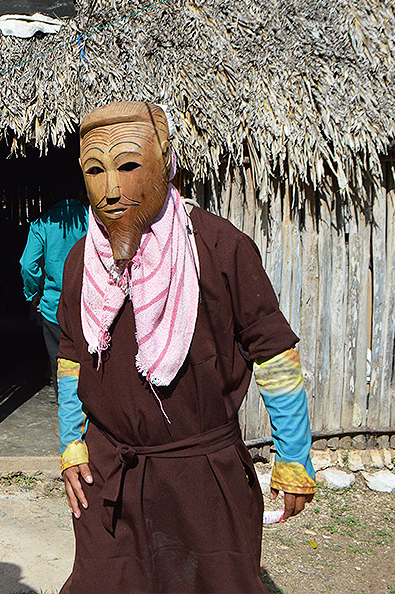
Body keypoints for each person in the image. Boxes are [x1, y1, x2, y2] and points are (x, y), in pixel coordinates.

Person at [55, 101, 315, 593]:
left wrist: (294, 455)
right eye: (95, 170)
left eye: (129, 165)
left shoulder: (220, 248)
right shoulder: (79, 264)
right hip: (111, 478)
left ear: (167, 164)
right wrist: (72, 446)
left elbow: (274, 353)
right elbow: (72, 356)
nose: (111, 190)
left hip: (204, 481)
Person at [19, 193, 88, 387]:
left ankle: (69, 412)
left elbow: (28, 265)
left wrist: (33, 295)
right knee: (91, 365)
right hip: (89, 306)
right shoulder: (95, 220)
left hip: (54, 308)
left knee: (62, 364)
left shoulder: (42, 224)